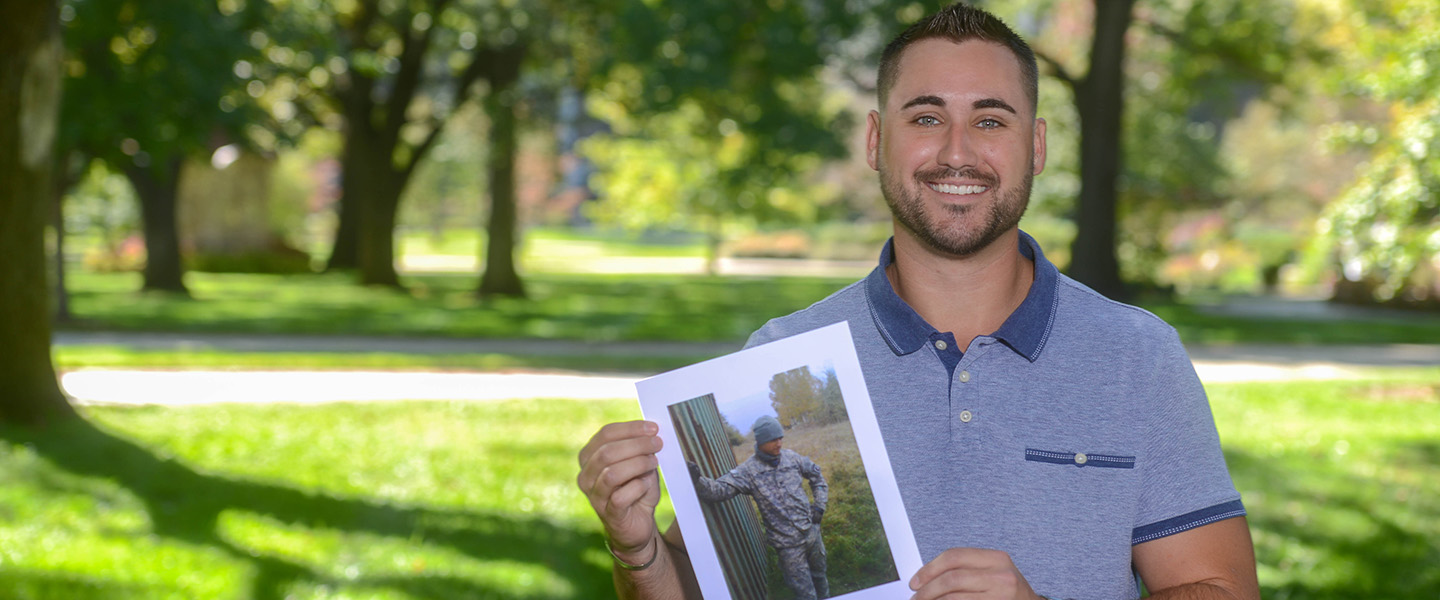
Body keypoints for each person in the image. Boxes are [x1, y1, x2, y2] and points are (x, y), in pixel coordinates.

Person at [576, 3, 1260, 599]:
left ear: (1037, 146)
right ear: (877, 140)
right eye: (927, 116)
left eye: (991, 121)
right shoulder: (780, 352)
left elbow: (1223, 590)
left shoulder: (1137, 357)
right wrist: (636, 549)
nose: (956, 153)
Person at [687, 415, 829, 599]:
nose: (778, 443)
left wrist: (819, 506)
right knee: (805, 593)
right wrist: (697, 479)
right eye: (772, 440)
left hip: (812, 534)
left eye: (780, 438)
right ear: (760, 441)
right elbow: (718, 491)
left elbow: (817, 477)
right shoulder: (748, 471)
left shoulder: (792, 458)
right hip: (788, 546)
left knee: (820, 578)